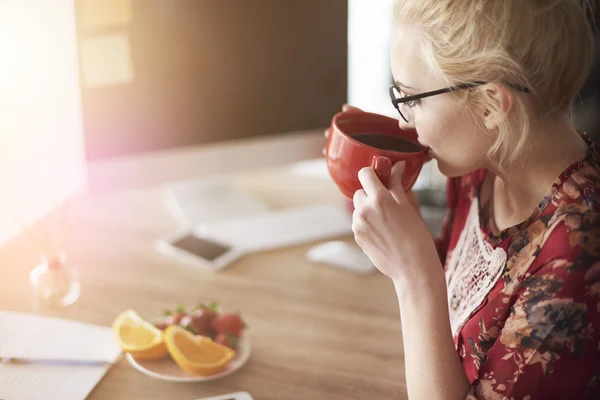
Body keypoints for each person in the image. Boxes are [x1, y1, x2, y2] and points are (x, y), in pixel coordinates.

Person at [343, 0, 600, 398]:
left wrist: (413, 278)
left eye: (413, 99)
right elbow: (459, 311)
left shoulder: (575, 256)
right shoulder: (483, 165)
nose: (404, 120)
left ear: (490, 105)